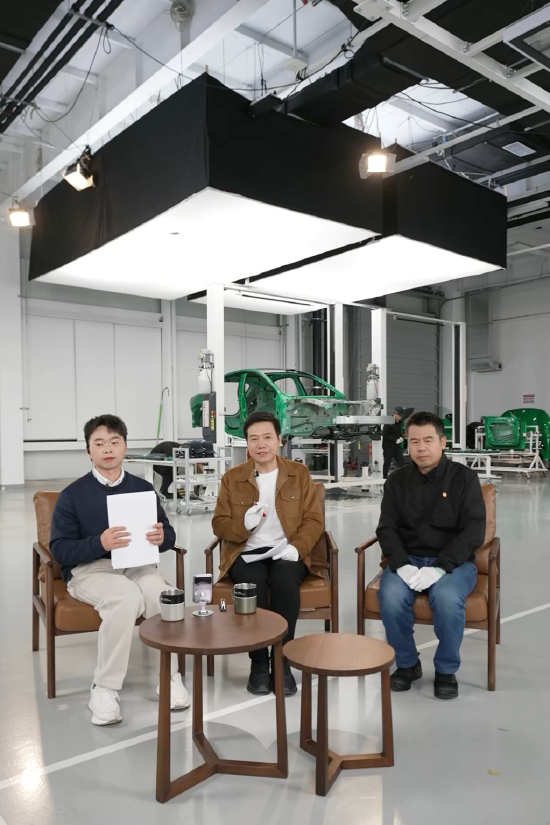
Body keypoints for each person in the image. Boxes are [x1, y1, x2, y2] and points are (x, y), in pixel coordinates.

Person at [49, 414, 189, 726]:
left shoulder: (143, 488)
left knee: (163, 594)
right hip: (91, 569)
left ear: (125, 446)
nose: (108, 449)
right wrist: (98, 543)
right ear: (88, 451)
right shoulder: (72, 495)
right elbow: (59, 549)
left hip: (136, 563)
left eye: (114, 442)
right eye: (99, 443)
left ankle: (170, 676)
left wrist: (162, 537)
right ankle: (104, 687)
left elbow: (167, 533)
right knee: (124, 597)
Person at [212, 411, 324, 697]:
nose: (261, 444)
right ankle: (259, 662)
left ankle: (283, 660)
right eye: (254, 439)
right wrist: (243, 525)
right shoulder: (232, 478)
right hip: (246, 552)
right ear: (247, 444)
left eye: (267, 437)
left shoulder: (299, 474)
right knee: (253, 585)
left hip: (286, 551)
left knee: (285, 581)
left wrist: (296, 548)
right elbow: (219, 523)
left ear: (279, 440)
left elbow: (314, 519)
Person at [376, 411, 486, 700]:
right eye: (414, 441)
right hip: (409, 559)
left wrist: (440, 567)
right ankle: (407, 664)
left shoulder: (464, 478)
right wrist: (401, 565)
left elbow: (474, 530)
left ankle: (446, 670)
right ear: (407, 444)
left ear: (442, 442)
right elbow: (387, 528)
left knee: (447, 599)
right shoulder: (397, 481)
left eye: (428, 440)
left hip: (454, 562)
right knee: (390, 597)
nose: (421, 447)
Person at [382, 405, 406, 479]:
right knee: (387, 461)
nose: (400, 417)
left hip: (396, 446)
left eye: (401, 416)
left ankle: (404, 477)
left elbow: (401, 431)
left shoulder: (400, 422)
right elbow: (385, 434)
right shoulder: (389, 421)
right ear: (395, 414)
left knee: (401, 461)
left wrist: (401, 437)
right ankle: (385, 477)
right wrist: (395, 440)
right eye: (399, 415)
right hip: (388, 446)